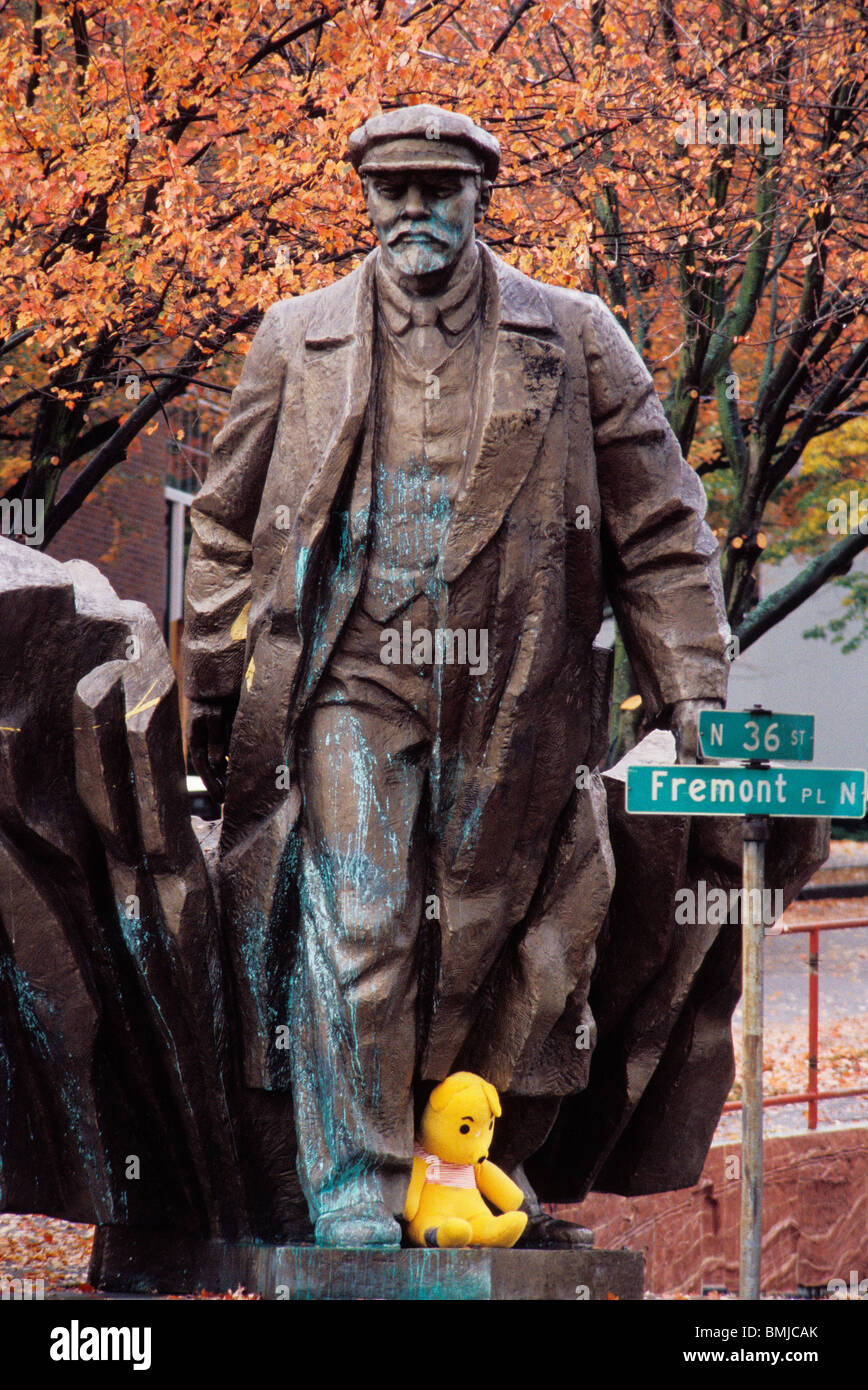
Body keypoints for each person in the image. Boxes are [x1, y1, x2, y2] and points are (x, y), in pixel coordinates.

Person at [183, 105, 729, 1248]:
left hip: (516, 689)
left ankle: (466, 1158)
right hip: (352, 674)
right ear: (366, 199)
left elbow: (664, 530)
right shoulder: (299, 336)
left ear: (483, 195)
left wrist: (695, 700)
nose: (415, 210)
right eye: (394, 189)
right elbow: (228, 527)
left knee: (500, 928)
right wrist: (212, 688)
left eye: (439, 188)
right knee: (367, 917)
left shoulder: (572, 335)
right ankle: (354, 1173)